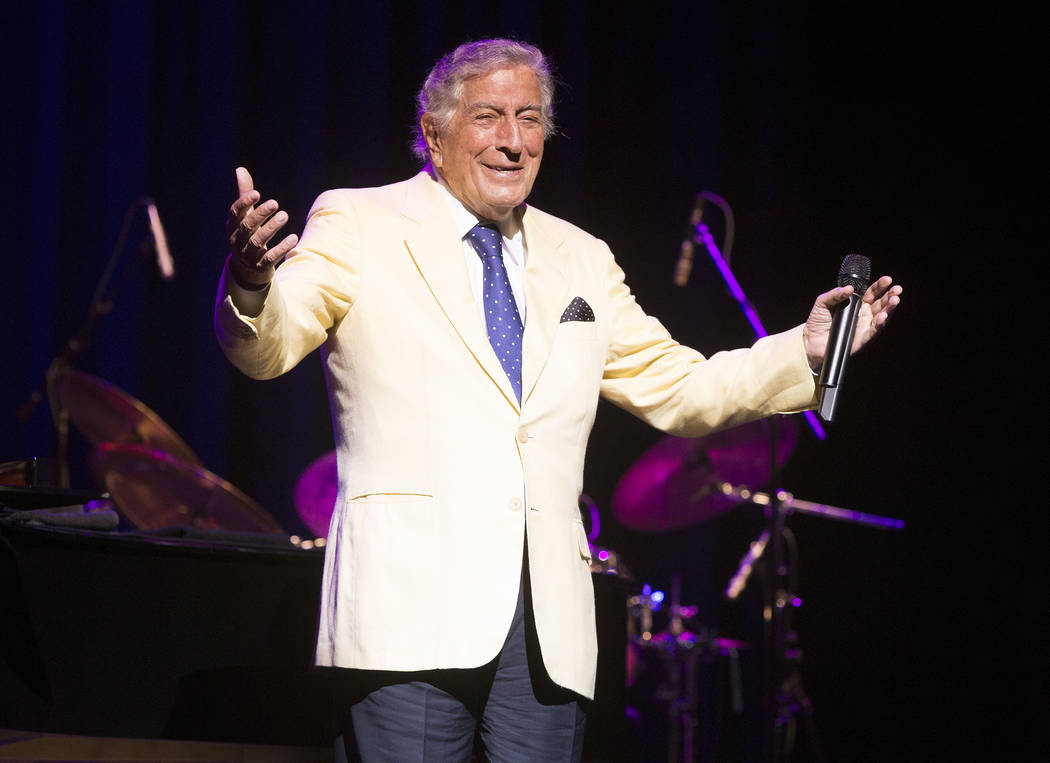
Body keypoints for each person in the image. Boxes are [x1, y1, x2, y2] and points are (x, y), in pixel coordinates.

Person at [214, 38, 901, 763]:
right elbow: (268, 346)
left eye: (530, 118)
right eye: (488, 116)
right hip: (407, 614)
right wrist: (253, 282)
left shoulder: (582, 256)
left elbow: (683, 387)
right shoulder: (359, 222)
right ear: (434, 133)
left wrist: (805, 350)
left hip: (546, 634)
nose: (513, 141)